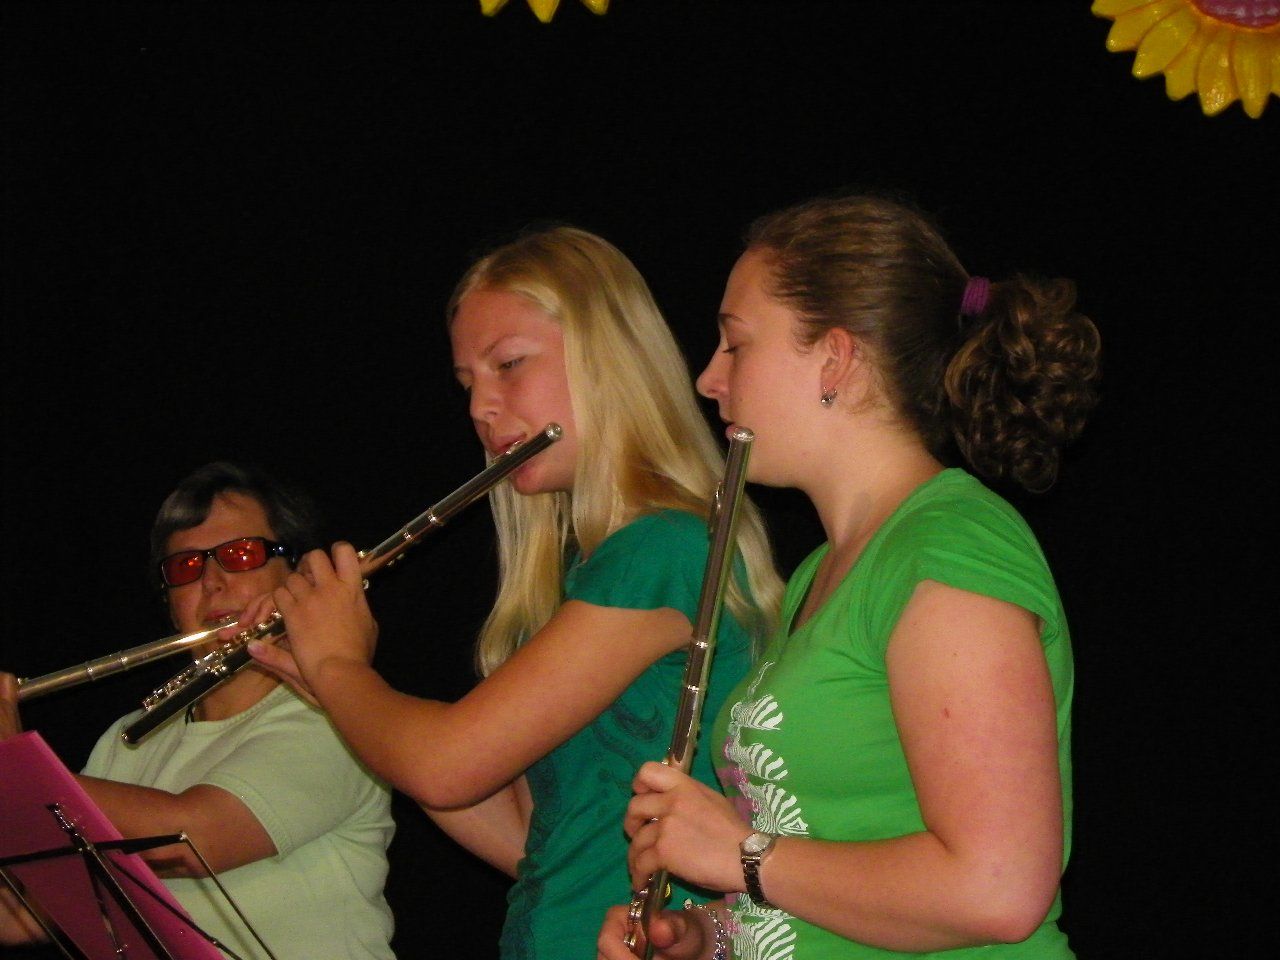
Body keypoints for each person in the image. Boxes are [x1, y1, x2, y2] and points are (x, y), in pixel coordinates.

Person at [241, 226, 786, 959]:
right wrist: (324, 684)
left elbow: (444, 763)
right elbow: (533, 838)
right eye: (468, 382)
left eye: (508, 365)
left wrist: (341, 667)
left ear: (607, 358)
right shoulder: (586, 572)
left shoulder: (662, 551)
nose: (481, 407)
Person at [597, 194, 1101, 960]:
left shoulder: (951, 547)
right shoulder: (819, 573)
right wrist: (704, 936)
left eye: (736, 344)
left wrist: (740, 854)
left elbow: (998, 889)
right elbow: (823, 867)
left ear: (834, 359)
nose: (708, 378)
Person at [0, 462, 396, 960]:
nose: (212, 581)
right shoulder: (129, 738)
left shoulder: (338, 720)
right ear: (171, 605)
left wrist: (11, 761)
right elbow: (23, 916)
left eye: (241, 554)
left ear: (298, 577)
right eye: (185, 567)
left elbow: (189, 840)